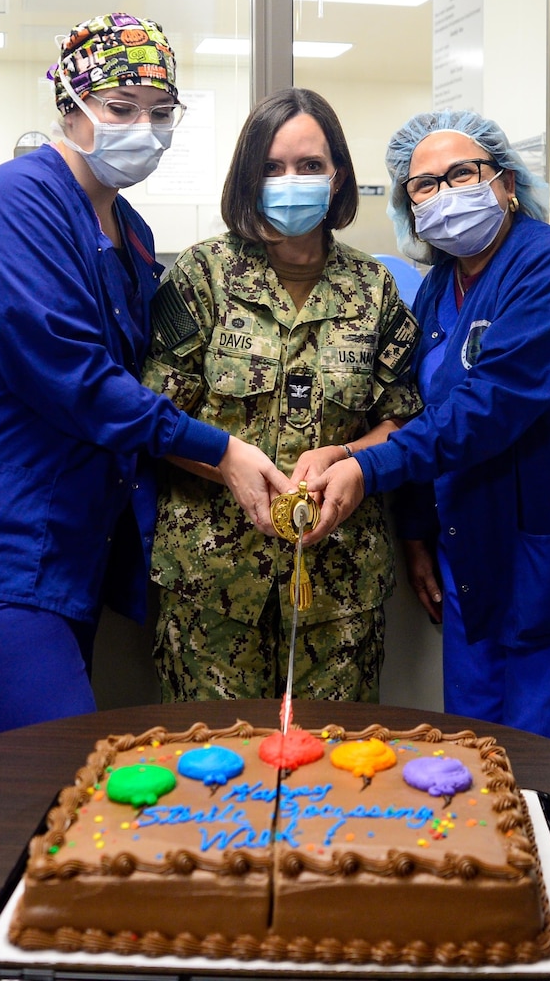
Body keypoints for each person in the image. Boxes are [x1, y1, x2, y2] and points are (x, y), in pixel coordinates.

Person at [0, 14, 290, 740]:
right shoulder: (13, 203)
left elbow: (147, 372)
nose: (144, 129)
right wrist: (223, 452)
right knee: (56, 772)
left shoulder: (131, 233)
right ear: (69, 106)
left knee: (28, 780)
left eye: (161, 113)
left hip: (60, 544)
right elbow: (71, 375)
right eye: (120, 108)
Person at [306, 109, 550, 757]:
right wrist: (417, 534)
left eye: (462, 173)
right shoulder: (436, 289)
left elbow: (487, 409)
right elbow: (417, 410)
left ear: (505, 183)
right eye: (424, 185)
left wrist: (361, 466)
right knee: (475, 756)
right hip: (470, 559)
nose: (444, 193)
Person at [141, 87, 423, 703]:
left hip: (341, 584)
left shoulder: (373, 287)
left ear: (337, 176)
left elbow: (402, 419)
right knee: (214, 771)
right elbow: (157, 417)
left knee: (335, 775)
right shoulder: (201, 274)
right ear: (247, 178)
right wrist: (232, 469)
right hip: (213, 584)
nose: (289, 181)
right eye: (271, 168)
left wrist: (353, 465)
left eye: (309, 166)